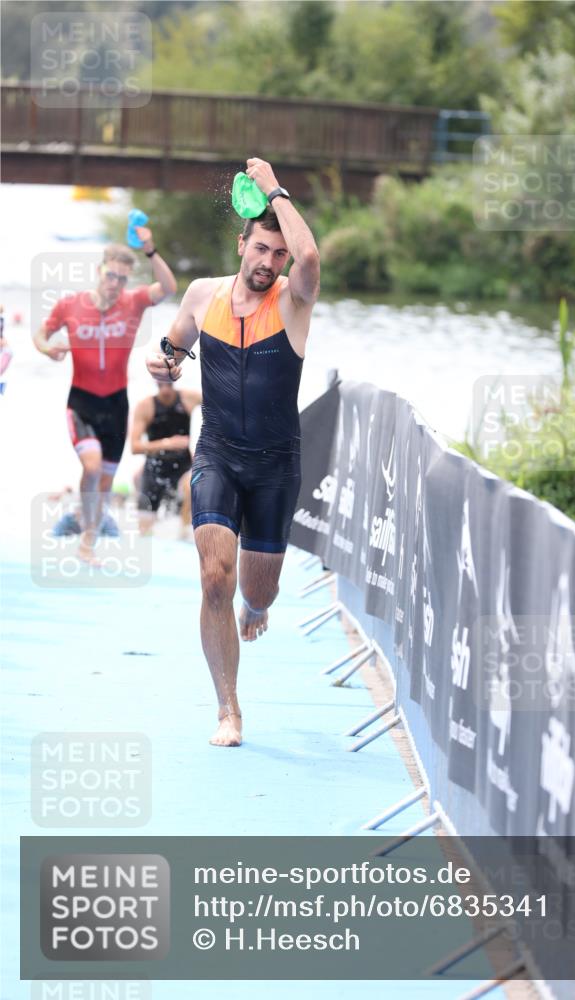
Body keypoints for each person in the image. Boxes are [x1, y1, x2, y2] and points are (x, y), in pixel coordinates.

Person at [146, 157, 320, 747]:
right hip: (218, 453)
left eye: (279, 254)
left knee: (256, 589)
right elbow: (171, 351)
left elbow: (312, 259)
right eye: (261, 250)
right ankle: (229, 709)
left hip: (276, 466)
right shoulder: (202, 295)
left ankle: (257, 605)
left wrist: (274, 189)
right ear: (241, 242)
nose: (270, 263)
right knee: (214, 578)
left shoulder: (294, 305)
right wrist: (161, 361)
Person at [33, 231, 177, 563]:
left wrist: (151, 250)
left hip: (115, 404)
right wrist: (46, 349)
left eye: (122, 279)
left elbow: (169, 289)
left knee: (106, 482)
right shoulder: (70, 305)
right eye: (110, 275)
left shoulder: (134, 302)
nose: (115, 283)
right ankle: (84, 528)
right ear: (99, 271)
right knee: (93, 466)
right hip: (82, 402)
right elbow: (42, 334)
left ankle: (87, 542)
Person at [131, 381, 202, 536]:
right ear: (155, 381)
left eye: (168, 383)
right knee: (144, 532)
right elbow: (134, 447)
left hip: (182, 468)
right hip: (154, 469)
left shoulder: (189, 398)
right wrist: (168, 443)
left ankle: (184, 532)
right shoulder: (146, 406)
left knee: (192, 486)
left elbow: (220, 403)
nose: (165, 389)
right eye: (161, 384)